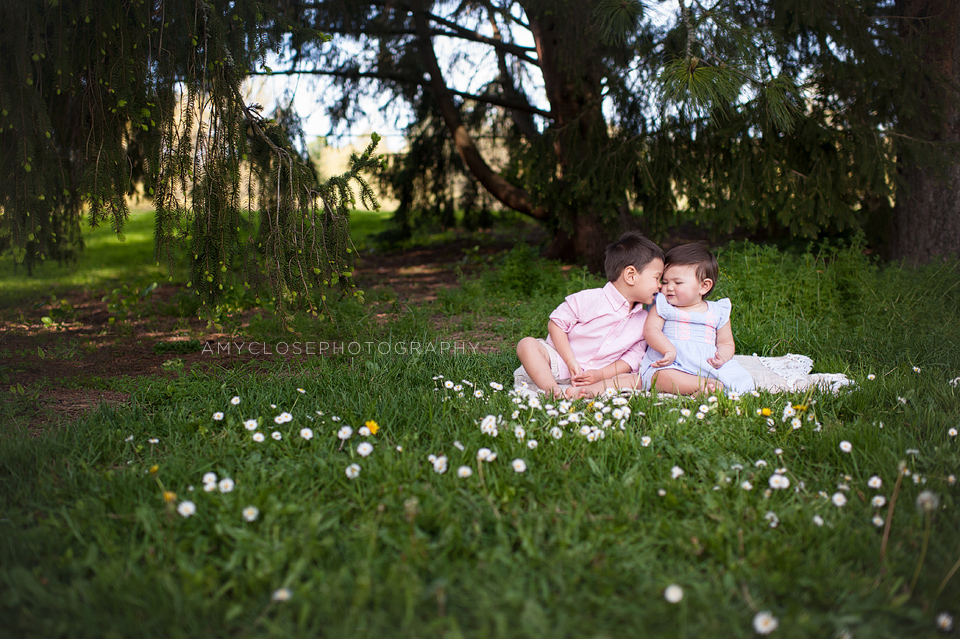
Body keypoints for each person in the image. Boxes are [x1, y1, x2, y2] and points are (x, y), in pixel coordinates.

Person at [569, 243, 754, 397]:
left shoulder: (717, 310)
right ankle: (702, 386)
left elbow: (725, 342)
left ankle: (705, 387)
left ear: (704, 286)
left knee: (738, 379)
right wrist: (668, 350)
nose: (668, 288)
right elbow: (651, 330)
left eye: (678, 283)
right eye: (665, 282)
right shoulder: (663, 305)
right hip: (669, 361)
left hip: (705, 363)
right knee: (653, 378)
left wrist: (723, 356)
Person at [514, 232, 664, 398]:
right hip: (559, 363)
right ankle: (552, 390)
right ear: (630, 275)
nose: (660, 286)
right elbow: (556, 324)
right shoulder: (590, 299)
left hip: (599, 376)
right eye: (657, 278)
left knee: (638, 379)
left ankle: (579, 393)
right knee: (527, 344)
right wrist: (570, 361)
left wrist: (600, 375)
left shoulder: (645, 321)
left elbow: (631, 359)